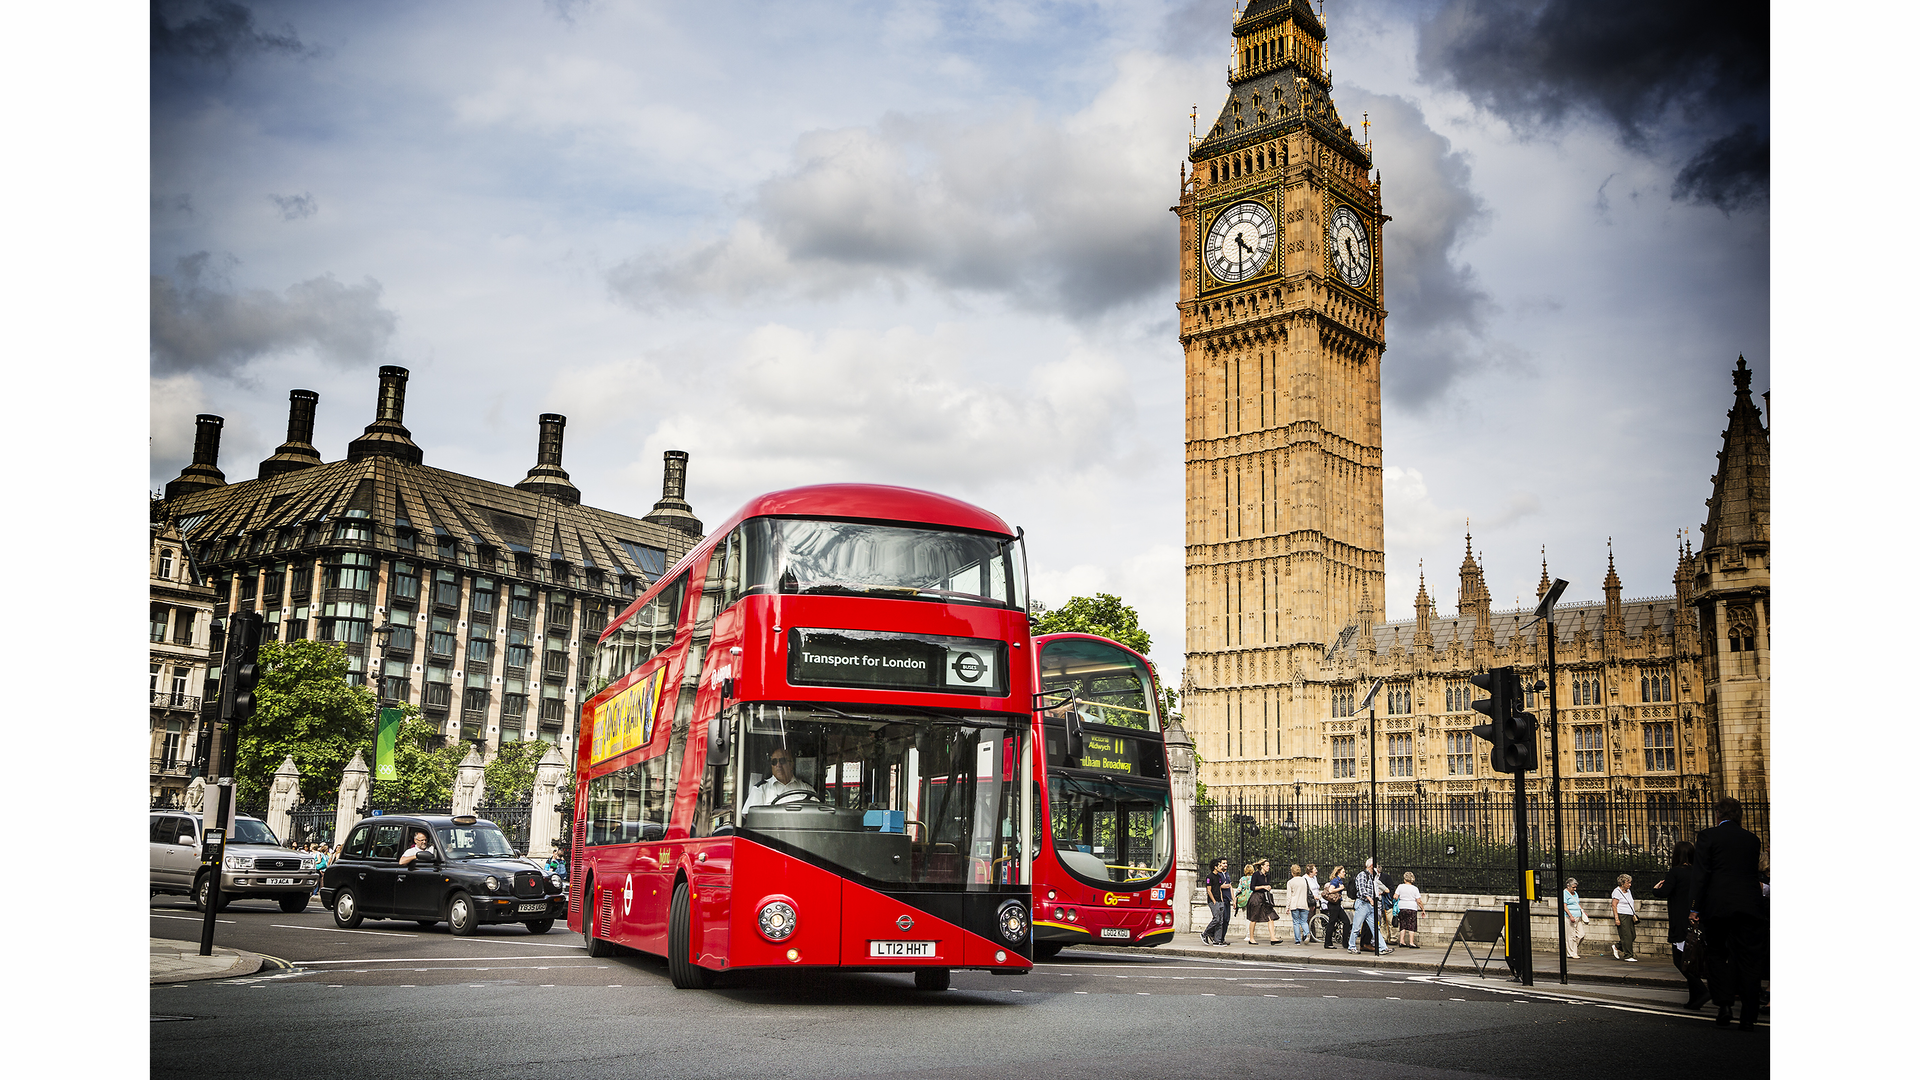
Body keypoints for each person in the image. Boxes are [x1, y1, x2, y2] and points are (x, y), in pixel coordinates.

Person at [1689, 796, 1767, 1029]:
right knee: (1748, 959)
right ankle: (1749, 1014)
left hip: (1718, 907)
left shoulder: (1707, 836)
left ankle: (1724, 1005)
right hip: (1749, 906)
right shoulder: (1752, 840)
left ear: (1718, 815)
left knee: (1717, 955)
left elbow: (1701, 874)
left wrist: (1694, 907)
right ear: (1739, 815)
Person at [1653, 841, 1709, 1011]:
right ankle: (1694, 1000)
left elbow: (1663, 892)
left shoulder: (1675, 872)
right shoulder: (1699, 872)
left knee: (1680, 961)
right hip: (1699, 921)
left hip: (1681, 922)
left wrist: (1656, 888)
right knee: (1691, 961)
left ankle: (1702, 990)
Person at [745, 748, 817, 806]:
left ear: (791, 764)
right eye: (774, 762)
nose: (778, 765)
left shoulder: (807, 789)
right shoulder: (760, 789)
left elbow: (817, 815)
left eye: (782, 761)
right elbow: (751, 817)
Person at [1348, 857, 1390, 955]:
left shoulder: (1372, 877)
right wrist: (1370, 899)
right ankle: (1351, 946)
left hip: (1370, 905)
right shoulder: (1362, 875)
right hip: (1363, 904)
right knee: (1356, 927)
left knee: (1375, 927)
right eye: (1375, 865)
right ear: (1371, 866)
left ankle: (1383, 947)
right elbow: (1361, 889)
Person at [1245, 860, 1279, 943]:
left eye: (1268, 865)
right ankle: (1251, 938)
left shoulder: (1267, 875)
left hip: (1265, 898)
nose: (1268, 867)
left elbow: (1266, 885)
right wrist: (1263, 887)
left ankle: (1273, 938)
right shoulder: (1256, 874)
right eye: (1267, 865)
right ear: (1262, 866)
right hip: (1256, 898)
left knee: (1271, 916)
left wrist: (1268, 887)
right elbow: (1252, 887)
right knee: (1254, 917)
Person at [1201, 857, 1233, 946]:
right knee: (1216, 919)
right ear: (1215, 867)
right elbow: (1209, 890)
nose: (1221, 867)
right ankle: (1205, 933)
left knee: (1221, 921)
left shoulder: (1218, 876)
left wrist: (1221, 899)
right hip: (1213, 901)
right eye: (1219, 866)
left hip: (1220, 900)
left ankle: (1217, 940)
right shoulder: (1209, 877)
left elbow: (1219, 888)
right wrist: (1214, 901)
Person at [1610, 873, 1638, 962]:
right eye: (1628, 883)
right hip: (1622, 915)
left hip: (1630, 915)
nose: (1630, 884)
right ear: (1622, 883)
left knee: (1632, 935)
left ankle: (1617, 947)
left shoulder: (1628, 891)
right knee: (1627, 936)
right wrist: (1617, 918)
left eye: (1630, 882)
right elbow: (1614, 905)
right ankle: (1628, 955)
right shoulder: (1617, 891)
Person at [1321, 865, 1350, 950]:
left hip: (1337, 904)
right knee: (1332, 923)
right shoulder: (1335, 880)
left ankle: (1345, 942)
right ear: (1338, 873)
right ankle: (1328, 943)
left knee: (1346, 922)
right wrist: (1340, 888)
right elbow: (1330, 890)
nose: (1344, 873)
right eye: (1343, 872)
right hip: (1333, 905)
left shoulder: (1339, 880)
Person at [1561, 877, 1592, 959]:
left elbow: (1577, 903)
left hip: (1578, 916)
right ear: (1568, 886)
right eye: (1573, 887)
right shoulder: (1565, 893)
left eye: (1575, 887)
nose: (1574, 889)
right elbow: (1564, 906)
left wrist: (1583, 911)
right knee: (1570, 935)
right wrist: (1570, 915)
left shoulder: (1575, 893)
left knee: (1581, 934)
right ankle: (1572, 952)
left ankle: (1572, 949)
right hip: (1570, 917)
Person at [1394, 871, 1424, 948]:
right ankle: (1411, 942)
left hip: (1401, 907)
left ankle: (1402, 941)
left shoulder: (1400, 886)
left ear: (1405, 879)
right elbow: (1419, 901)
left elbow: (1395, 896)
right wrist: (1423, 909)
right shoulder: (1415, 889)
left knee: (1402, 924)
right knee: (1412, 924)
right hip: (1411, 907)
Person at [1285, 864, 1313, 944]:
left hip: (1294, 904)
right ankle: (1307, 933)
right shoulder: (1304, 880)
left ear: (1292, 873)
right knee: (1304, 921)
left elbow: (1289, 896)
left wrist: (1287, 907)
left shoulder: (1290, 882)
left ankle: (1298, 940)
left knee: (1296, 922)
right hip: (1304, 904)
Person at [1302, 863, 1323, 941]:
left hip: (1314, 901)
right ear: (1310, 871)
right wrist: (1313, 896)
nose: (1316, 871)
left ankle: (1312, 935)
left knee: (1312, 918)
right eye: (1315, 870)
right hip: (1309, 900)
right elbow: (1306, 890)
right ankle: (1308, 935)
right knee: (1309, 918)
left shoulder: (1314, 878)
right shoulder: (1305, 878)